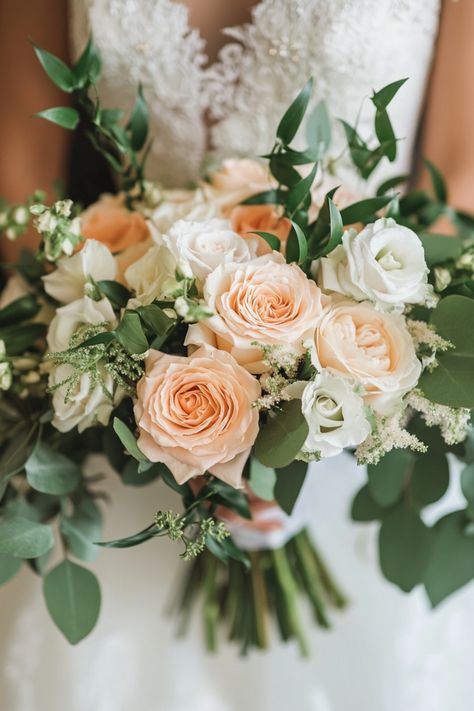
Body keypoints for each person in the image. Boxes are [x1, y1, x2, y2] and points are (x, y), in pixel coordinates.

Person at [1, 2, 474, 710]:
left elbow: (455, 196)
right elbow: (21, 184)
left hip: (358, 422)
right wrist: (171, 418)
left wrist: (304, 436)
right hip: (127, 431)